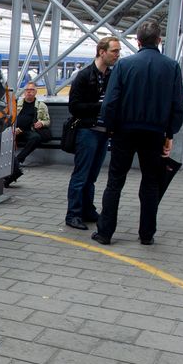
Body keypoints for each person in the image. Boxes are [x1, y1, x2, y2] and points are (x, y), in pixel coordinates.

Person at [92, 21, 183, 246]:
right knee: (151, 183)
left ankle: (105, 233)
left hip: (124, 131)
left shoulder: (124, 65)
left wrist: (111, 128)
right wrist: (169, 134)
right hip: (155, 134)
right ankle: (146, 234)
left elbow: (110, 102)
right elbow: (177, 105)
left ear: (138, 41)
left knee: (115, 182)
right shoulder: (172, 67)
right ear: (159, 40)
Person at [64, 36, 120, 230]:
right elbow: (75, 107)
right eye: (114, 51)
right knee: (81, 175)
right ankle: (73, 214)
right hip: (87, 131)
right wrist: (101, 106)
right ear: (101, 52)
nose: (117, 55)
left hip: (103, 132)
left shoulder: (112, 75)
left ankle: (87, 210)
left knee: (92, 176)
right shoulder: (84, 76)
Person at [3, 83, 50, 187]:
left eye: (31, 90)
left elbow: (47, 121)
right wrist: (14, 128)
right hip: (16, 130)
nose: (29, 92)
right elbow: (9, 118)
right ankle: (8, 163)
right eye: (27, 90)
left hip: (29, 131)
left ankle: (18, 160)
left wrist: (41, 123)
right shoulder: (17, 103)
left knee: (36, 138)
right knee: (4, 136)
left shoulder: (41, 105)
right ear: (24, 92)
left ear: (36, 92)